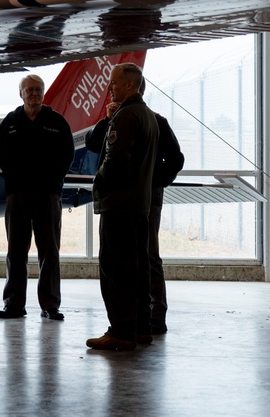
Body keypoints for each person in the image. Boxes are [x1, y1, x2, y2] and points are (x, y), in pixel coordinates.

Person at [87, 79, 183, 335]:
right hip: (128, 197)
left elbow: (175, 159)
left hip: (146, 196)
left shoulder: (155, 121)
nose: (110, 90)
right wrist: (108, 120)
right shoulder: (116, 120)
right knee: (131, 256)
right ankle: (138, 320)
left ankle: (155, 316)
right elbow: (92, 144)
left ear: (135, 90)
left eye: (115, 85)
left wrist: (151, 179)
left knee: (147, 254)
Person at [86, 63, 158, 351]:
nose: (110, 87)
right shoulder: (148, 116)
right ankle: (141, 327)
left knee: (116, 270)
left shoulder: (126, 117)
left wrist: (98, 183)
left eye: (114, 82)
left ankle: (120, 331)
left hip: (120, 205)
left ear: (129, 85)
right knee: (138, 268)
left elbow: (115, 162)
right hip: (139, 205)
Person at [0, 74, 74, 321]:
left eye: (38, 90)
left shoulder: (56, 122)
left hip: (48, 195)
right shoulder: (10, 122)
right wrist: (15, 182)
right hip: (17, 196)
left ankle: (50, 304)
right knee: (15, 249)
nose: (33, 94)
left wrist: (54, 183)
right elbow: (1, 155)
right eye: (29, 90)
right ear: (21, 93)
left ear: (43, 92)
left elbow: (67, 155)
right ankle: (13, 304)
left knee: (49, 250)